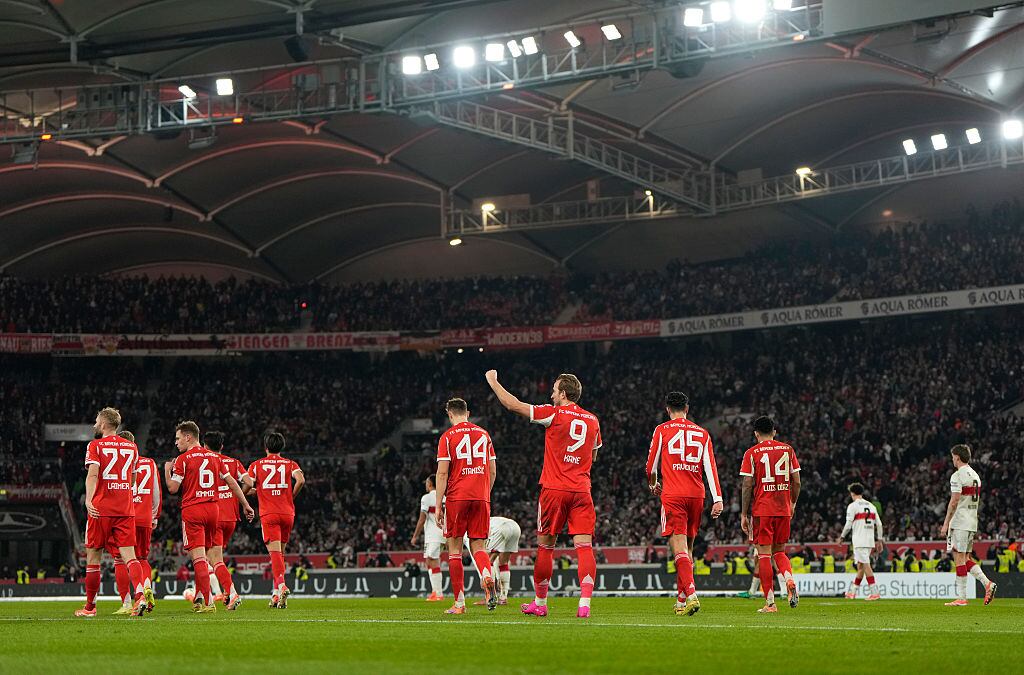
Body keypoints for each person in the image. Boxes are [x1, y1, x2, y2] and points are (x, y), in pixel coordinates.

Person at [485, 370, 601, 619]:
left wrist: (493, 381)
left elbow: (512, 405)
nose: (551, 393)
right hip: (582, 489)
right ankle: (584, 605)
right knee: (584, 547)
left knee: (546, 547)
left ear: (563, 393)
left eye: (554, 389)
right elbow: (593, 454)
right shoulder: (593, 420)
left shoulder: (553, 413)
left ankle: (540, 603)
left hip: (554, 489)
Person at [645, 391, 723, 616]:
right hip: (696, 495)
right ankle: (680, 601)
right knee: (687, 549)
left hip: (674, 494)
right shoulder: (702, 433)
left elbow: (650, 467)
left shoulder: (662, 430)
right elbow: (710, 467)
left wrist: (654, 483)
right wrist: (717, 499)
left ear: (667, 409)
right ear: (687, 409)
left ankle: (691, 595)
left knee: (677, 547)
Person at [164, 420, 253, 613]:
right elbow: (233, 483)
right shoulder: (215, 458)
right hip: (214, 510)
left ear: (189, 437)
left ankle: (208, 602)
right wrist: (245, 504)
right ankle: (200, 596)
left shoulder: (182, 460)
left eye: (178, 438)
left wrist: (166, 471)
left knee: (199, 559)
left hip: (193, 510)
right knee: (210, 557)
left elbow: (172, 488)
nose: (176, 443)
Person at [75, 407, 148, 618]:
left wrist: (89, 500)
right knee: (130, 557)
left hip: (101, 509)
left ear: (105, 424)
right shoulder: (132, 447)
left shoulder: (95, 446)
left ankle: (90, 607)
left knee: (94, 557)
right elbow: (132, 480)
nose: (95, 425)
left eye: (97, 421)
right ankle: (140, 596)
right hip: (125, 508)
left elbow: (93, 475)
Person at [435, 398, 497, 614]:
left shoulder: (447, 437)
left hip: (457, 497)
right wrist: (483, 495)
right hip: (481, 496)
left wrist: (438, 505)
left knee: (454, 550)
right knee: (479, 547)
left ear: (449, 414)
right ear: (467, 413)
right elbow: (493, 471)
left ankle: (460, 603)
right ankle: (487, 575)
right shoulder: (484, 434)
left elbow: (442, 473)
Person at [739, 415, 801, 614]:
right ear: (774, 432)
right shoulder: (788, 449)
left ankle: (770, 603)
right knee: (780, 552)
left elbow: (747, 484)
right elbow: (797, 481)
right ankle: (789, 579)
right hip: (783, 509)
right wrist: (792, 502)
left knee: (764, 555)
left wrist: (743, 513)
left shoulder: (751, 453)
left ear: (756, 433)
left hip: (762, 510)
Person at [246, 431, 304, 609]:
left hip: (269, 514)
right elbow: (301, 480)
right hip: (288, 513)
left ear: (266, 447)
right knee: (279, 555)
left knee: (274, 554)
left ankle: (281, 586)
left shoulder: (256, 465)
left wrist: (259, 491)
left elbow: (247, 488)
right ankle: (276, 595)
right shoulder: (290, 463)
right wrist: (290, 496)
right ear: (282, 447)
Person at [940, 444, 997, 606]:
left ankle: (962, 597)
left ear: (957, 457)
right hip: (972, 521)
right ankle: (987, 584)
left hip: (960, 521)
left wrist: (945, 523)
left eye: (952, 457)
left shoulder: (957, 476)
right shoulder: (975, 475)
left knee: (959, 558)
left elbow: (954, 501)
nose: (952, 459)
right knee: (966, 558)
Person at [205, 430, 252, 610]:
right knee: (217, 558)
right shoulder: (233, 462)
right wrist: (237, 497)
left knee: (214, 559)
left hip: (214, 515)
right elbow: (248, 482)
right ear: (222, 447)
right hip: (231, 518)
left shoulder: (206, 461)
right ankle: (225, 592)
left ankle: (232, 593)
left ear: (205, 447)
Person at [127, 430, 160, 614]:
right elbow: (156, 493)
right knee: (142, 558)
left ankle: (137, 594)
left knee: (128, 558)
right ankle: (147, 585)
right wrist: (154, 515)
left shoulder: (122, 462)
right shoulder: (150, 463)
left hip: (127, 515)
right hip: (146, 516)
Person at [838, 482, 884, 601]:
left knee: (865, 565)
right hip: (869, 540)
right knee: (860, 566)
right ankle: (852, 592)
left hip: (859, 540)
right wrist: (879, 540)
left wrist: (842, 536)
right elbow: (879, 524)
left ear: (852, 493)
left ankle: (875, 592)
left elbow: (848, 524)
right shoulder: (871, 506)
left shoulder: (853, 506)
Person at [465, 515, 523, 606]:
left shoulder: (474, 528)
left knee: (488, 560)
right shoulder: (487, 519)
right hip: (515, 526)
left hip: (500, 528)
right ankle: (503, 597)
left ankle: (490, 597)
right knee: (503, 563)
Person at [410, 475, 445, 602]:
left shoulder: (427, 498)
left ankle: (438, 593)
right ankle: (435, 591)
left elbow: (422, 518)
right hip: (445, 532)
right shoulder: (445, 497)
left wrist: (415, 536)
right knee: (430, 561)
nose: (425, 485)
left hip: (434, 534)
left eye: (426, 482)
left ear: (430, 484)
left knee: (432, 560)